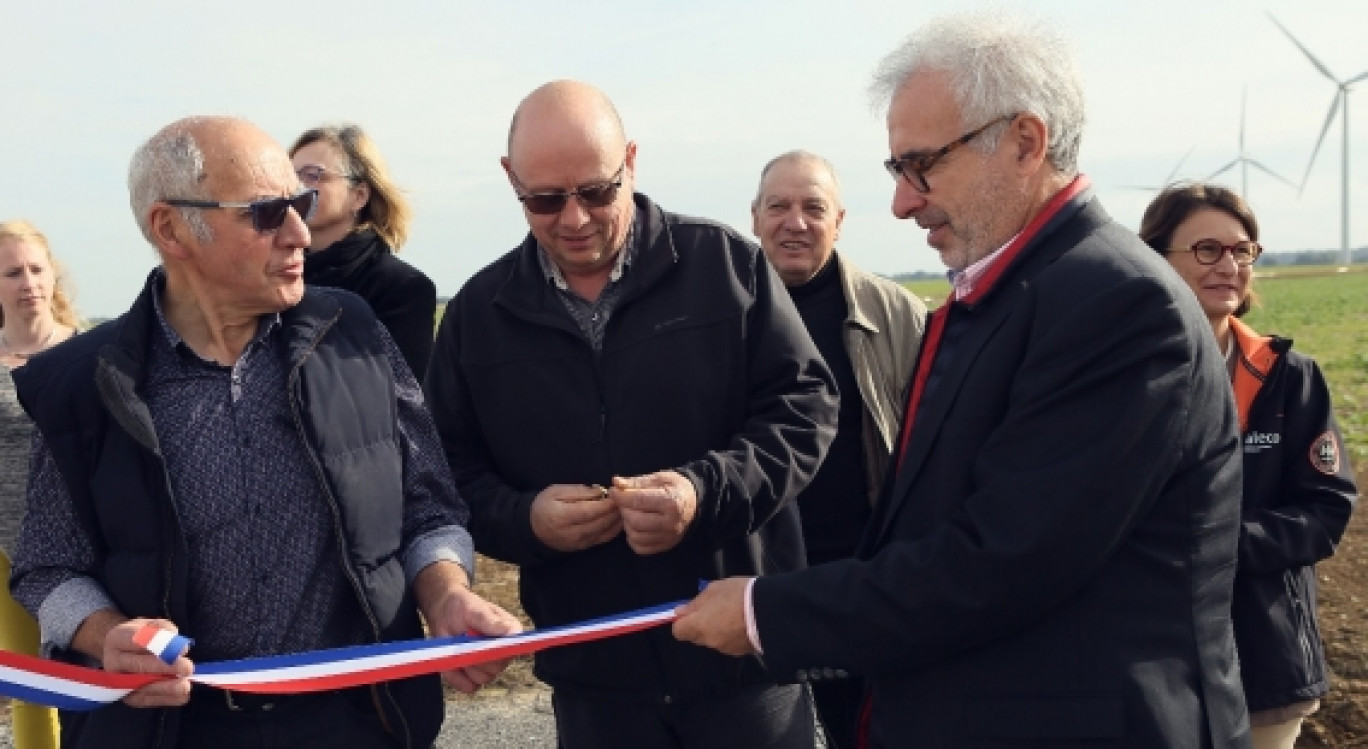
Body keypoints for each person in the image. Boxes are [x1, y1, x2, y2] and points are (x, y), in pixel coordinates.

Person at [674, 13, 1251, 748]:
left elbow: (1000, 562)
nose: (903, 201)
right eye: (896, 170)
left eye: (923, 164)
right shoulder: (1008, 294)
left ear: (1024, 142)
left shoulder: (1117, 306)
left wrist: (765, 611)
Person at [8, 116, 521, 749]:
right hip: (173, 729)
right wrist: (104, 633)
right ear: (171, 228)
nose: (301, 232)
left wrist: (446, 595)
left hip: (362, 723)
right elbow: (47, 567)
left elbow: (429, 506)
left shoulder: (354, 335)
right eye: (267, 213)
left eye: (301, 204)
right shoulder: (82, 381)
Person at [424, 80, 838, 749]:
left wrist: (704, 492)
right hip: (598, 688)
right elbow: (445, 475)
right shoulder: (478, 314)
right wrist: (525, 518)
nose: (575, 218)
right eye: (545, 199)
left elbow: (805, 410)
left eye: (596, 191)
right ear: (511, 180)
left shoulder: (726, 267)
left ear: (633, 162)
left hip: (742, 673)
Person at [1140, 183, 1358, 749]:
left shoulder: (1291, 378)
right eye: (1207, 250)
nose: (1229, 266)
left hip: (1265, 659)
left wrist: (1216, 544)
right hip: (1149, 665)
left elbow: (1326, 509)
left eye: (1242, 251)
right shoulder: (1124, 378)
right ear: (1154, 260)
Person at [749, 151, 925, 749]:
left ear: (840, 220)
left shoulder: (898, 315)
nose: (795, 222)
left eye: (813, 208)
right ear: (754, 218)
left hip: (862, 579)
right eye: (779, 206)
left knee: (871, 731)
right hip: (759, 586)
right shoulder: (721, 315)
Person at [0, 219, 80, 749]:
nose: (27, 282)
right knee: (32, 685)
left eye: (35, 269)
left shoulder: (93, 351)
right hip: (7, 549)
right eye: (12, 272)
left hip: (89, 546)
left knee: (96, 678)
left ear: (53, 276)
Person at [289, 124, 437, 376]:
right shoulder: (275, 276)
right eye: (290, 177)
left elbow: (401, 397)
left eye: (313, 175)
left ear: (359, 195)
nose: (297, 188)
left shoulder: (402, 287)